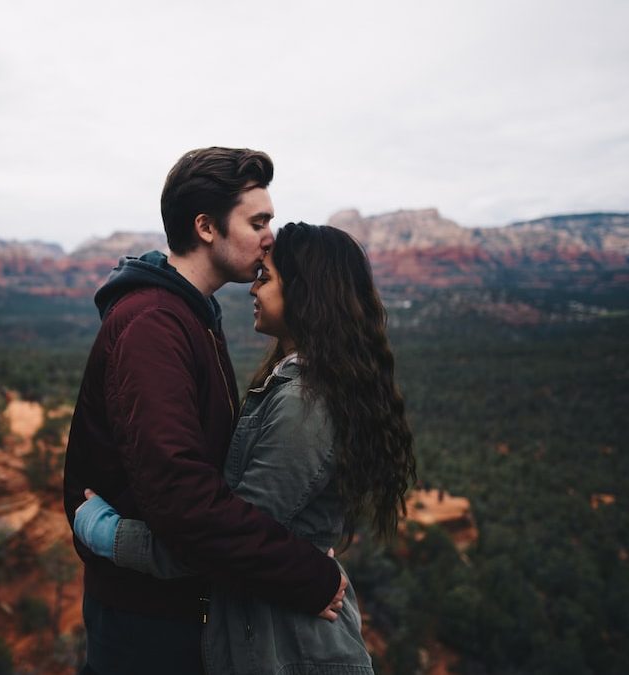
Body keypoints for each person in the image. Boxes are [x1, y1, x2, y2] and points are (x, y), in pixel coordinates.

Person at [75, 222, 416, 674]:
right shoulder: (292, 386)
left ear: (305, 294)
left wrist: (110, 535)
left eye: (266, 278)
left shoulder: (302, 406)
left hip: (293, 652)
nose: (253, 289)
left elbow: (226, 542)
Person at [63, 150, 347, 675]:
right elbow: (182, 499)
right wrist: (306, 574)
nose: (270, 236)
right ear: (206, 227)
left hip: (180, 609)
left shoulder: (191, 316)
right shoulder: (153, 324)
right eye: (257, 221)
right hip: (148, 627)